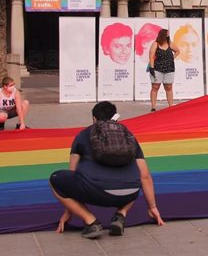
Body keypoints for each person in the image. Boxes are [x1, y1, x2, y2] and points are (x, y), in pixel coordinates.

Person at [49, 101, 164, 239]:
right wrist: (152, 207)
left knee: (55, 179)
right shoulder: (128, 135)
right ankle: (120, 214)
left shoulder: (83, 134)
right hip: (129, 192)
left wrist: (70, 210)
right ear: (115, 117)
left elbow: (73, 173)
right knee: (132, 180)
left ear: (94, 119)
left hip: (95, 190)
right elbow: (145, 176)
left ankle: (91, 221)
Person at [148, 29, 179, 111]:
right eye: (167, 34)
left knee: (169, 87)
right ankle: (153, 107)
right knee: (155, 86)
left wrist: (172, 58)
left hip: (169, 68)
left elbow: (177, 51)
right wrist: (151, 67)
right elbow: (151, 56)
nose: (168, 36)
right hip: (157, 68)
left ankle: (171, 106)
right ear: (163, 35)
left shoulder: (170, 43)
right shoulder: (155, 44)